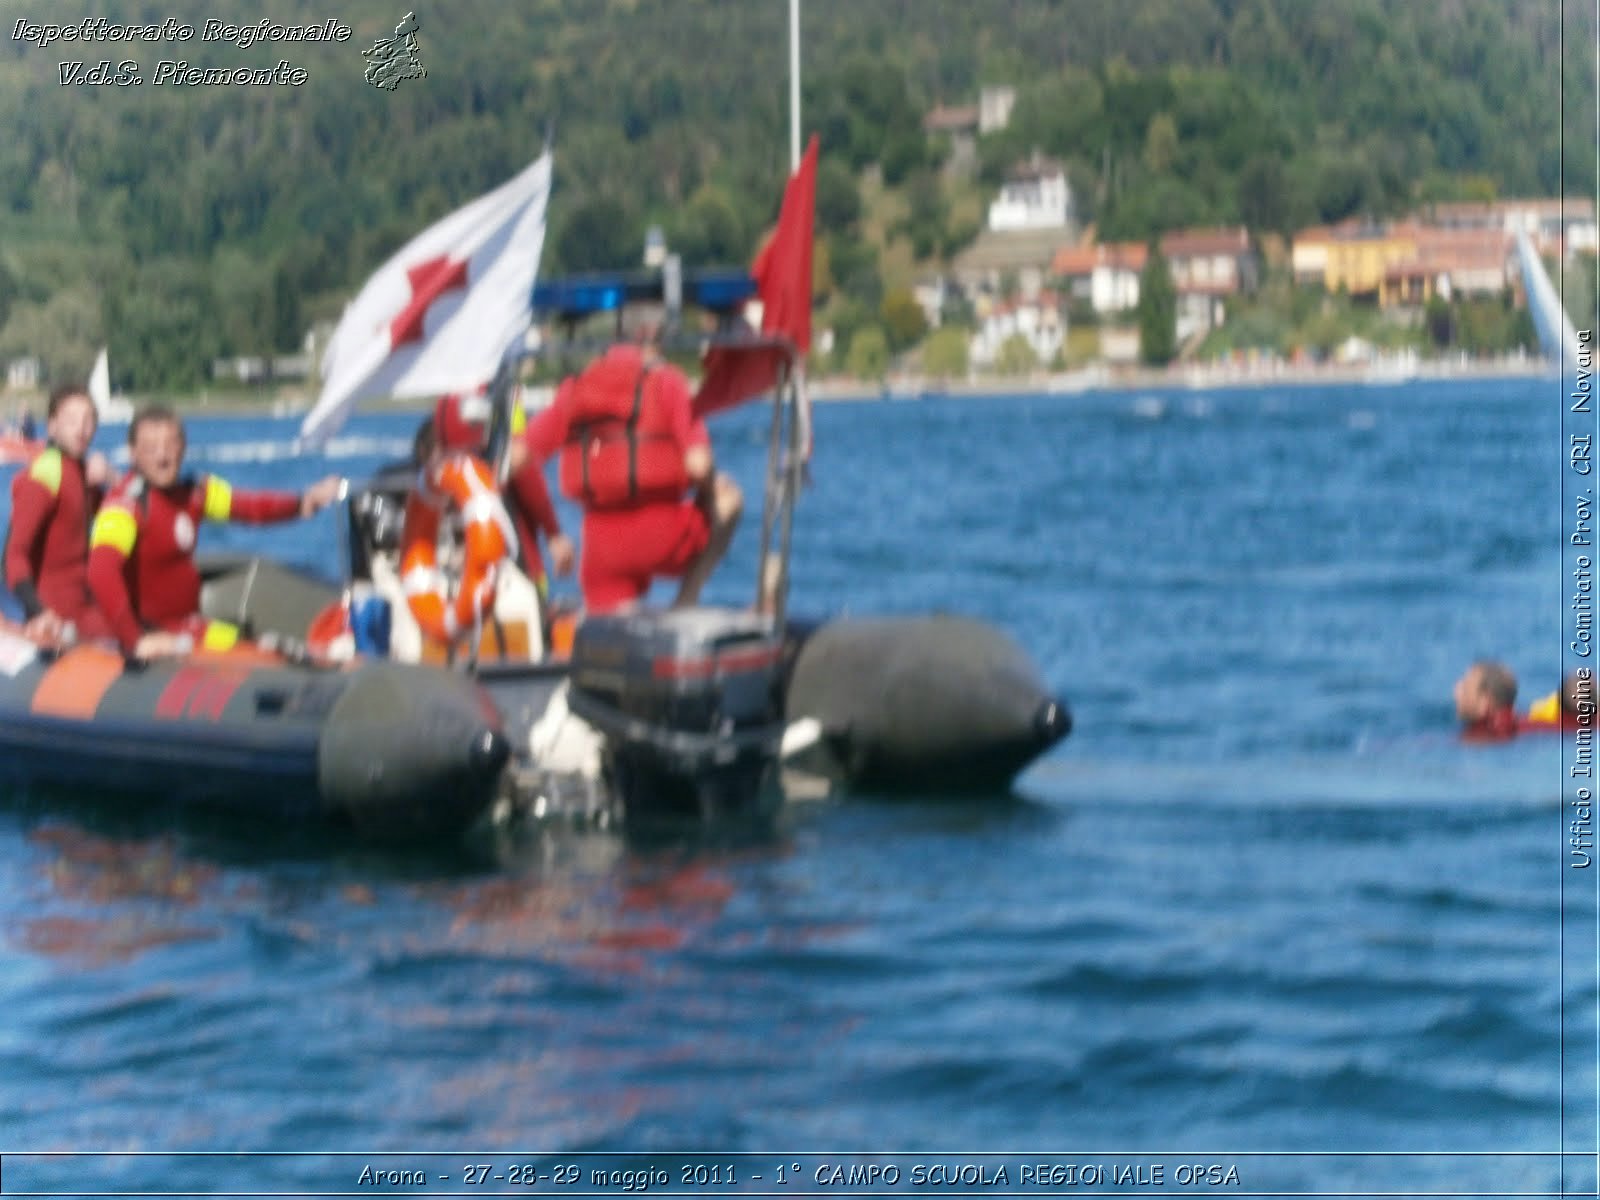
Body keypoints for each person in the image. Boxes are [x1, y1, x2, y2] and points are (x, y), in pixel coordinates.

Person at [87, 406, 342, 659]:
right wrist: (137, 641)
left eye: (171, 444)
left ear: (183, 448)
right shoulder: (125, 506)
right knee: (247, 657)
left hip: (190, 626)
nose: (162, 456)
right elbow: (100, 571)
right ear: (133, 454)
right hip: (153, 633)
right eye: (151, 448)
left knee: (260, 650)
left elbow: (250, 507)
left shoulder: (195, 492)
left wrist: (303, 502)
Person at [523, 323, 742, 614]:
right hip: (664, 535)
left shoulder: (576, 388)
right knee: (730, 499)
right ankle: (685, 602)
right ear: (653, 340)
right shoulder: (667, 381)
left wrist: (551, 532)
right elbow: (699, 465)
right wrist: (714, 485)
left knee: (611, 630)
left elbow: (518, 455)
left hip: (600, 551)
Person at [433, 389, 574, 594]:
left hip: (468, 560)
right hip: (512, 561)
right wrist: (553, 534)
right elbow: (524, 468)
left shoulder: (452, 394)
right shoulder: (492, 390)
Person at [4, 384, 112, 647]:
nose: (81, 428)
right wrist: (39, 613)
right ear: (52, 427)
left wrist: (111, 481)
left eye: (88, 421)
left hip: (84, 612)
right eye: (72, 420)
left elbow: (122, 525)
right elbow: (13, 556)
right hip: (55, 623)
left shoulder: (85, 474)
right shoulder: (44, 475)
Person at [1455, 659, 1519, 741]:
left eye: (1466, 688)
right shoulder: (1519, 721)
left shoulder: (1482, 735)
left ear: (1484, 702)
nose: (1456, 691)